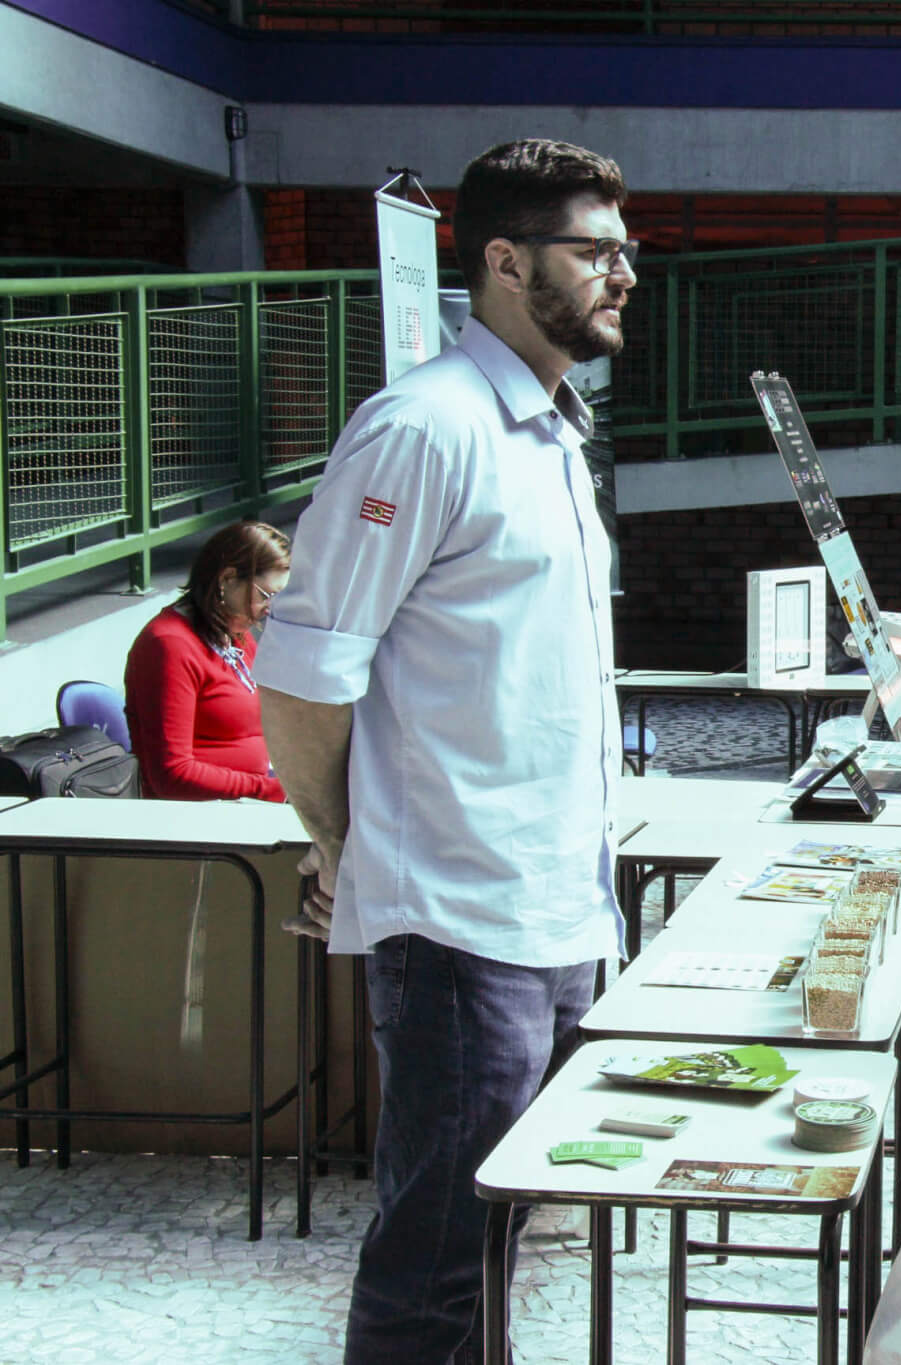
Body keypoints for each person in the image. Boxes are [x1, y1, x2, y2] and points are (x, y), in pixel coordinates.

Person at [253, 138, 634, 1364]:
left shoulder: (553, 433)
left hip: (555, 904)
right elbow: (307, 676)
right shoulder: (423, 429)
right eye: (594, 251)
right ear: (507, 262)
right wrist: (343, 847)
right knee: (435, 1256)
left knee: (502, 1239)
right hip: (459, 920)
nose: (623, 274)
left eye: (625, 251)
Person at [123, 520, 291, 802]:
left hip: (251, 797)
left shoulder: (233, 630)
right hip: (204, 815)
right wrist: (273, 791)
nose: (270, 609)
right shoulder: (168, 646)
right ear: (226, 580)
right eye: (267, 595)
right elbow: (171, 775)